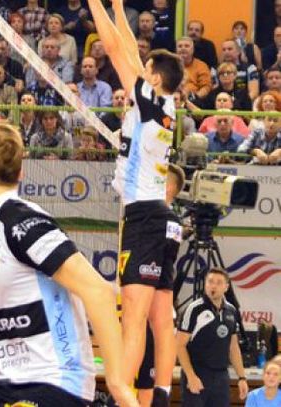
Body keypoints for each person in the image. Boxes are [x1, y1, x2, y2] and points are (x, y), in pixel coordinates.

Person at [0, 121, 138, 407]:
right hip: (2, 387)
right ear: (21, 173)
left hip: (53, 384)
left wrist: (118, 384)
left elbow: (99, 291)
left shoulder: (22, 221)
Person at [87, 0, 184, 405]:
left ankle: (120, 396)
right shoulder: (166, 104)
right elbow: (128, 50)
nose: (139, 70)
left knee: (134, 320)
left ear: (154, 79)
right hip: (161, 217)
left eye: (146, 70)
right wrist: (118, 6)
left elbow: (114, 50)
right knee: (161, 319)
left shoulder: (147, 99)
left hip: (144, 215)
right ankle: (159, 395)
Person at [135, 163, 185, 407]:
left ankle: (161, 392)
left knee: (149, 386)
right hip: (144, 301)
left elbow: (163, 260)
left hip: (156, 297)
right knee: (141, 383)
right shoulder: (153, 215)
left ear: (169, 188)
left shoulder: (169, 219)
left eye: (160, 179)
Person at [176, 268, 249, 407]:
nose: (213, 286)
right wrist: (191, 376)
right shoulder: (194, 309)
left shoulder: (231, 311)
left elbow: (233, 347)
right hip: (197, 373)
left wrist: (241, 377)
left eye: (218, 282)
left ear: (226, 287)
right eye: (210, 282)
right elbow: (179, 345)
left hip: (221, 377)